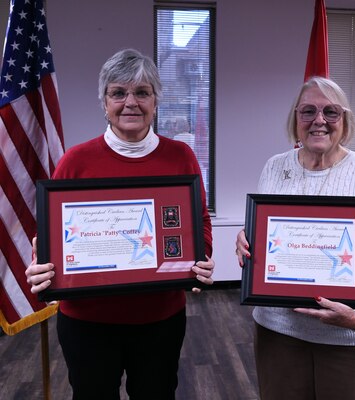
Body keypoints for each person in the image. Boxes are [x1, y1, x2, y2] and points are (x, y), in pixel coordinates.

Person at [26, 48, 215, 400]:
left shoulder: (180, 156)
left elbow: (199, 220)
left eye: (142, 92)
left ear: (156, 101)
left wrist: (198, 257)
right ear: (104, 102)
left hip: (160, 319)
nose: (131, 102)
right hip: (87, 322)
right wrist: (42, 260)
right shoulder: (77, 160)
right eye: (119, 93)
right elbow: (53, 231)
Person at [235, 76, 355, 400]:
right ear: (295, 119)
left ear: (344, 120)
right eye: (308, 111)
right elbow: (262, 232)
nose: (318, 121)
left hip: (351, 341)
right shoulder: (273, 167)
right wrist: (246, 239)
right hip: (279, 333)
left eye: (330, 112)